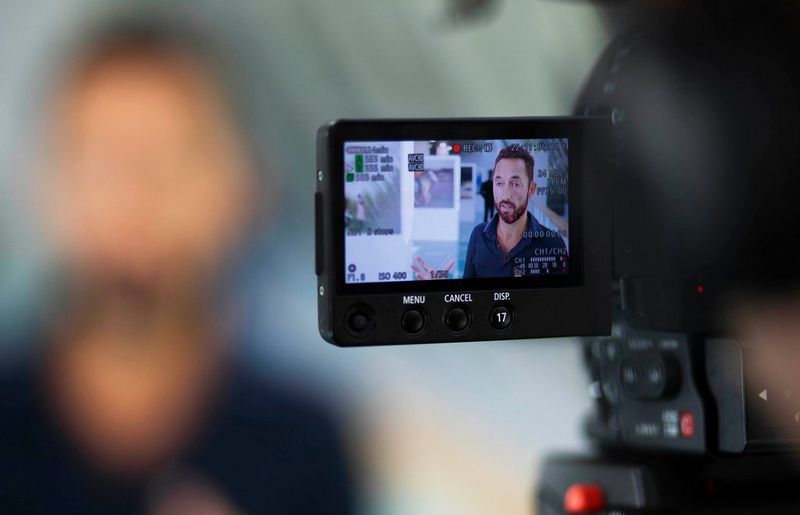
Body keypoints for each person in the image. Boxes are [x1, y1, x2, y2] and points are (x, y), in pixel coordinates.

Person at [0, 15, 354, 515]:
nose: (132, 199)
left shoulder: (304, 448)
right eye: (99, 163)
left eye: (170, 161)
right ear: (42, 185)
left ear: (245, 187)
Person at [463, 144, 566, 278]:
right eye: (499, 183)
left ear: (531, 189)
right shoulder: (478, 236)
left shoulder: (553, 244)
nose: (505, 195)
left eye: (515, 184)